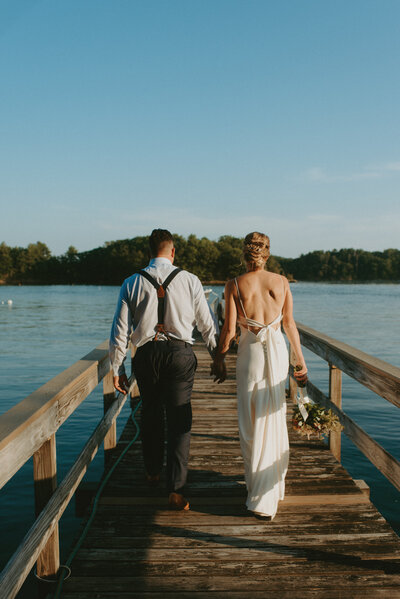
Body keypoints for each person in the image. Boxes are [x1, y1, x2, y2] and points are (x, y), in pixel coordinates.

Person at [109, 229, 218, 511]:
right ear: (173, 252)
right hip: (180, 353)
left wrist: (116, 367)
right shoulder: (190, 280)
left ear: (149, 252)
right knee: (180, 417)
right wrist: (217, 355)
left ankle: (152, 471)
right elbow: (207, 324)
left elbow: (120, 331)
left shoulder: (131, 282)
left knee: (151, 412)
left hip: (146, 355)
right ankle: (176, 490)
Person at [211, 232, 307, 519]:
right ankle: (270, 491)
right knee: (272, 417)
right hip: (277, 352)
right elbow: (289, 325)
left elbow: (228, 330)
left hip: (250, 354)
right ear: (267, 253)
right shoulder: (281, 282)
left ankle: (257, 490)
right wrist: (300, 361)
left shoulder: (234, 285)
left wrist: (219, 358)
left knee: (250, 420)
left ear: (245, 253)